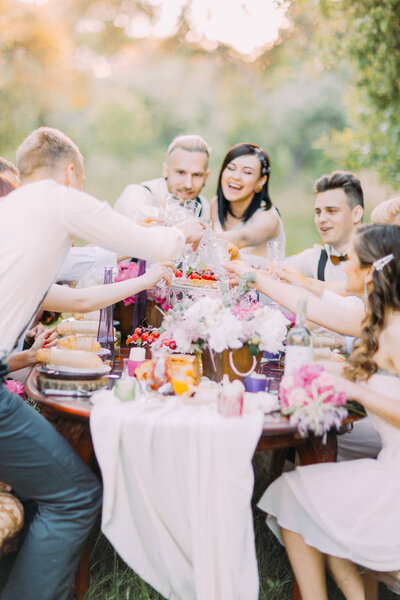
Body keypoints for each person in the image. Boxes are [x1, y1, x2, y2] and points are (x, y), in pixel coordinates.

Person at [0, 125, 202, 600]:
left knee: (44, 487)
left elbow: (79, 298)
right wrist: (183, 233)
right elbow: (160, 243)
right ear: (71, 172)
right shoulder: (60, 198)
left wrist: (149, 279)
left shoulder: (13, 217)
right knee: (76, 496)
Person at [257, 224, 400, 600]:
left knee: (299, 497)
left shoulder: (397, 330)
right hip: (390, 464)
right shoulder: (379, 321)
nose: (343, 265)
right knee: (299, 497)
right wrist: (252, 276)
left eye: (350, 259)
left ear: (370, 271)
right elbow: (314, 308)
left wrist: (351, 388)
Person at [210, 143, 285, 267]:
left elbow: (243, 238)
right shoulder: (216, 204)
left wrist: (203, 238)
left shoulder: (267, 217)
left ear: (261, 181)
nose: (236, 177)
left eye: (247, 172)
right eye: (231, 168)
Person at [285, 170, 364, 282]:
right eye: (318, 212)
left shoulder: (380, 257)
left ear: (356, 214)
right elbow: (276, 267)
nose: (321, 219)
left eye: (332, 211)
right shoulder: (316, 259)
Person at [114, 134, 211, 223]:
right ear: (165, 171)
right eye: (180, 172)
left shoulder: (204, 206)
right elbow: (135, 211)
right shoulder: (138, 193)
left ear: (206, 177)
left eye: (197, 175)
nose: (188, 184)